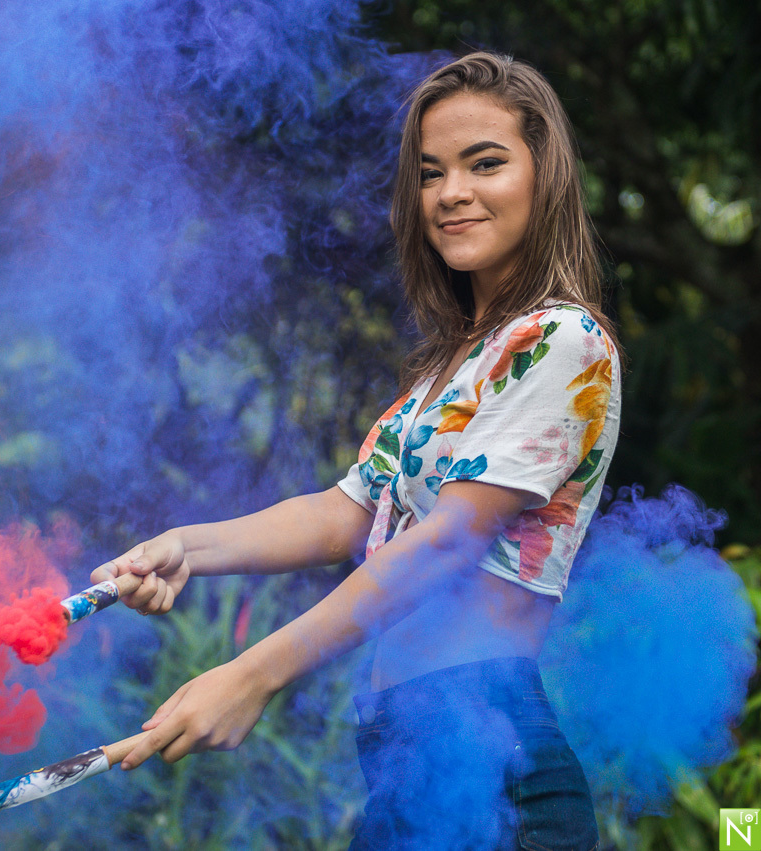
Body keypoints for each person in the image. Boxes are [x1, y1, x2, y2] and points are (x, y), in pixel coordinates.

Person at [91, 51, 620, 850]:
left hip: (495, 769)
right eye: (432, 172)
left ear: (544, 177)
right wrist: (183, 549)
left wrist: (250, 674)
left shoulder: (563, 341)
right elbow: (342, 513)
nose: (452, 193)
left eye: (486, 163)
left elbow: (447, 542)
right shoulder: (450, 369)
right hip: (406, 761)